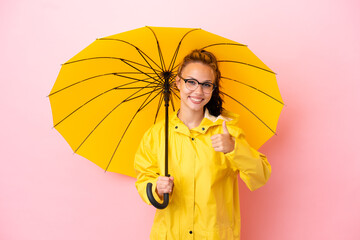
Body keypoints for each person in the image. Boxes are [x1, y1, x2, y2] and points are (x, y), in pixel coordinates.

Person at [134, 49, 271, 240]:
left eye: (206, 85)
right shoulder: (156, 134)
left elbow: (260, 176)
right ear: (178, 83)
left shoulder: (226, 132)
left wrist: (234, 149)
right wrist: (156, 187)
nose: (198, 91)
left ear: (213, 89)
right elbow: (144, 178)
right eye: (191, 82)